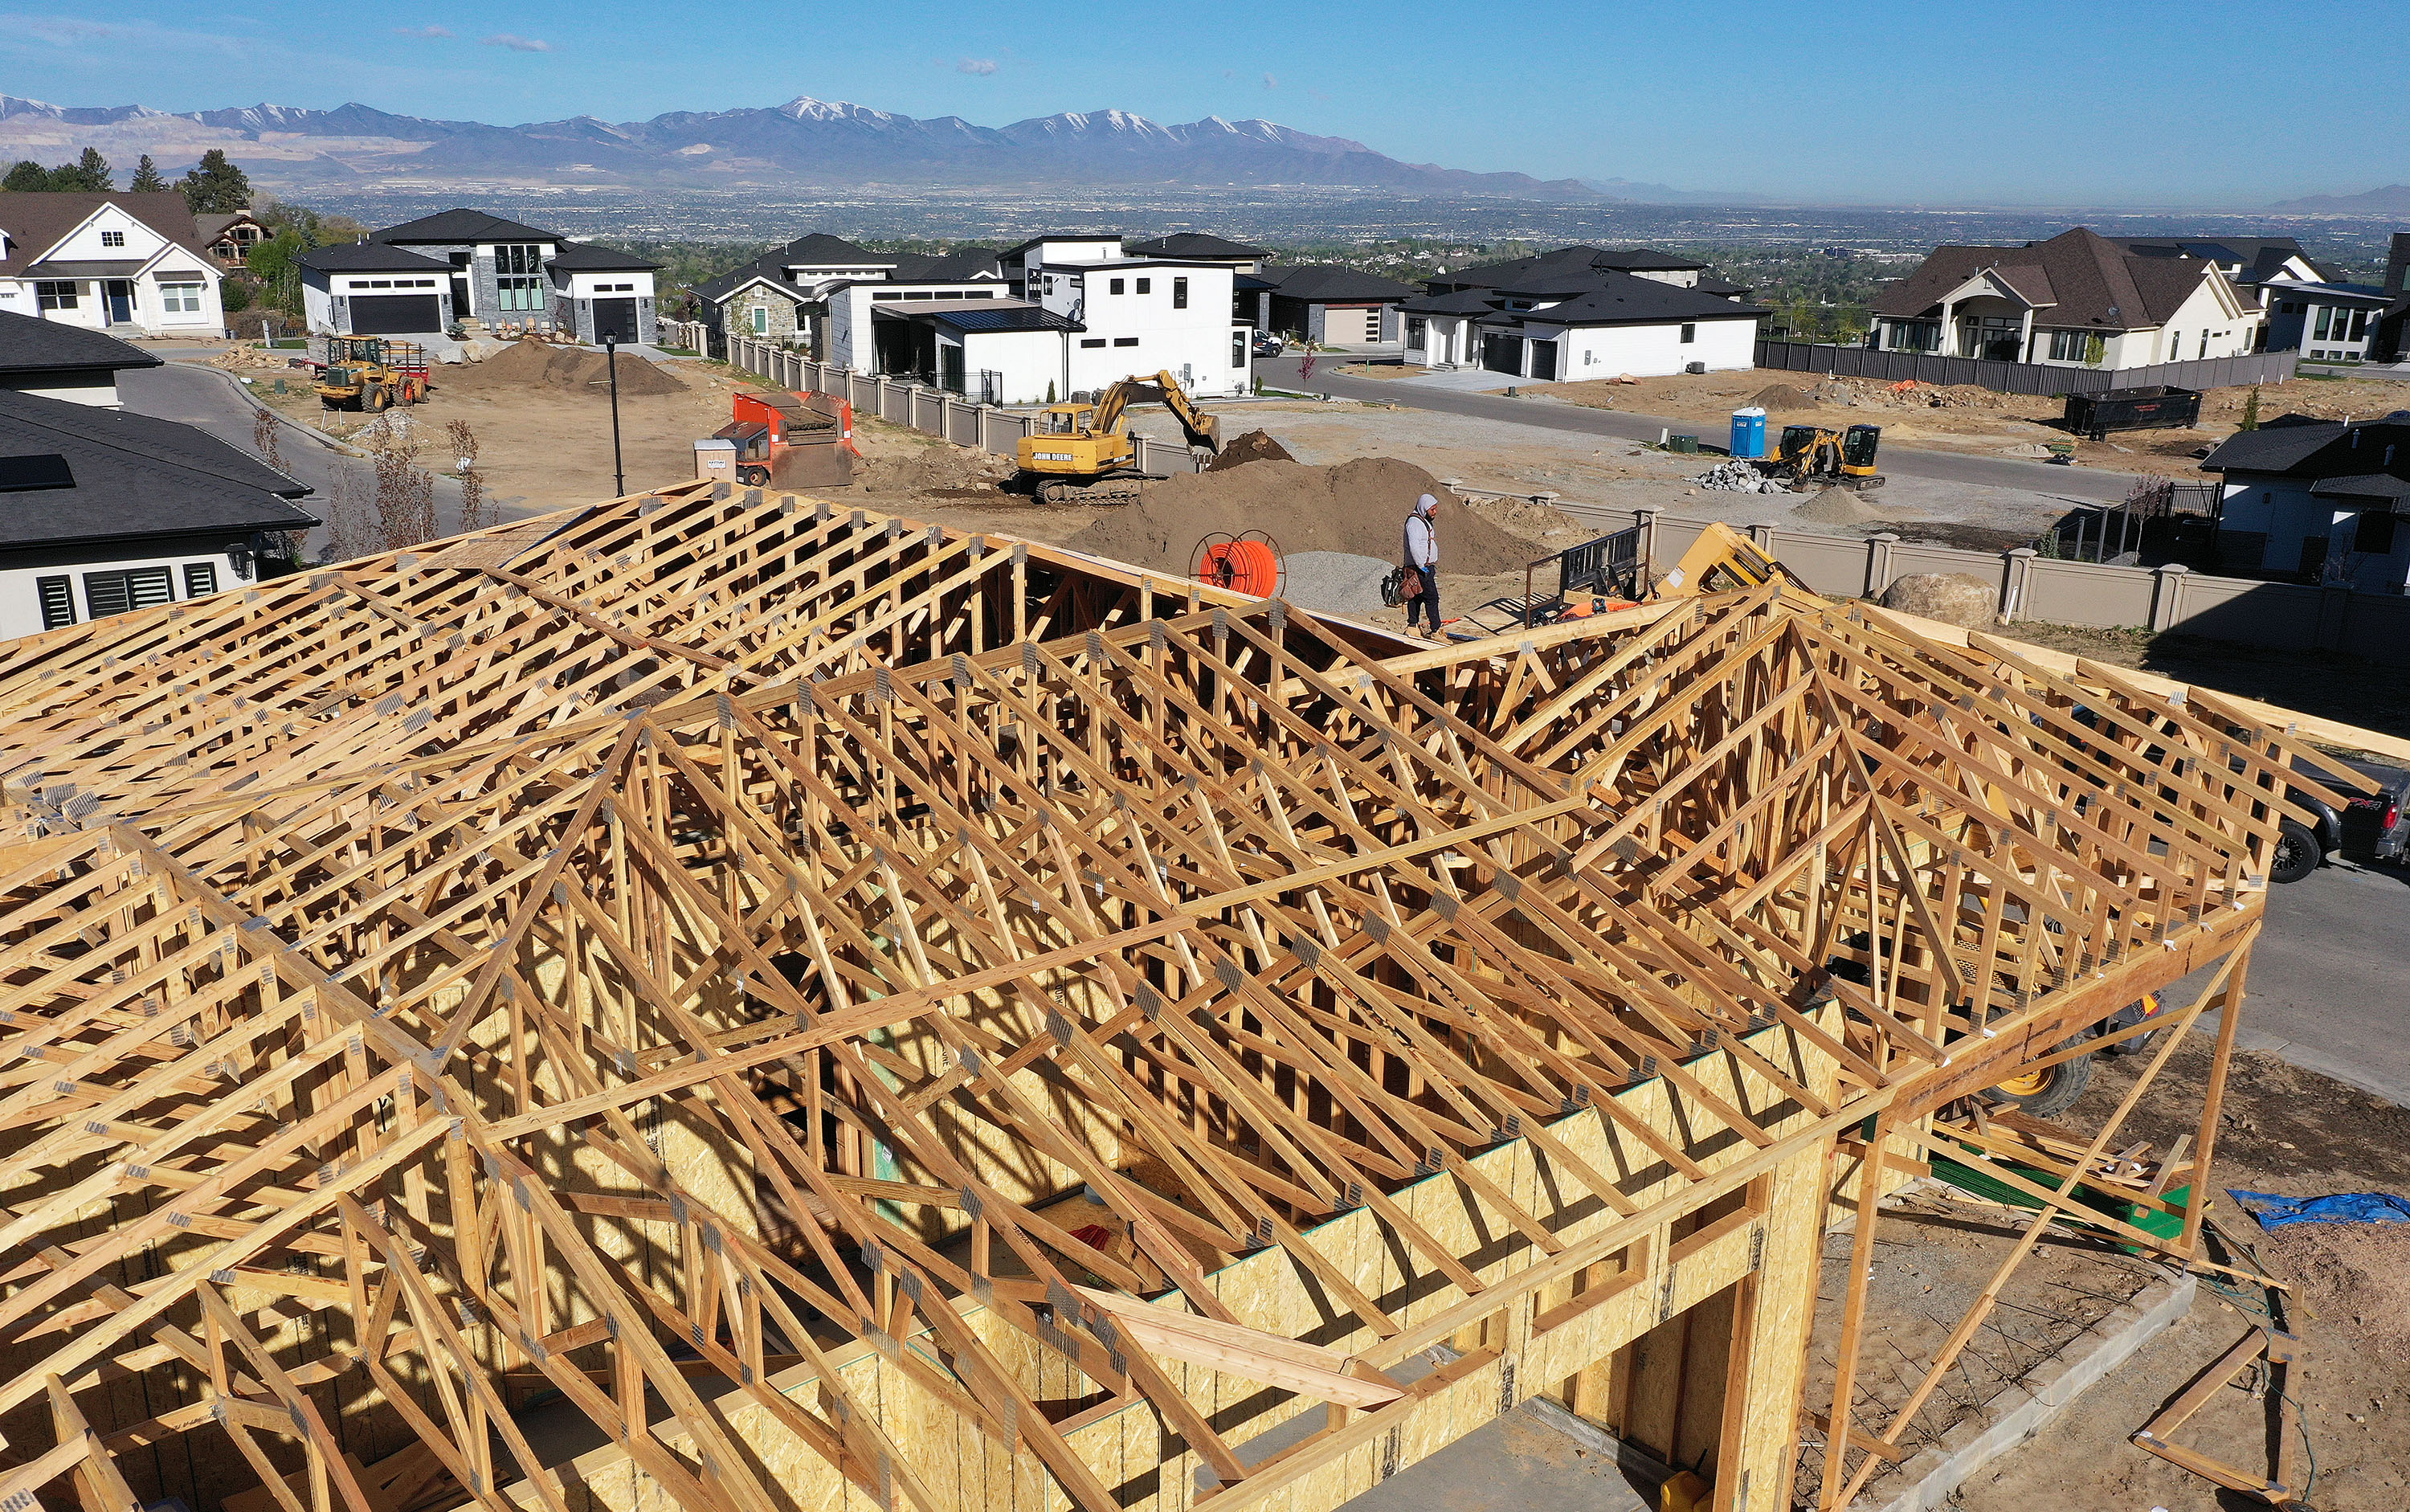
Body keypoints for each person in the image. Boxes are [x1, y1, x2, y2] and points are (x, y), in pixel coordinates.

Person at [1403, 492, 1442, 639]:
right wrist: (1421, 566)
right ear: (1424, 509)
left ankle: (1413, 625)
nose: (1435, 512)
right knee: (1432, 598)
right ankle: (1436, 630)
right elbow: (1414, 547)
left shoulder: (1422, 521)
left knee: (1416, 596)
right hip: (1420, 568)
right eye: (1432, 509)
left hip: (1422, 566)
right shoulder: (1414, 523)